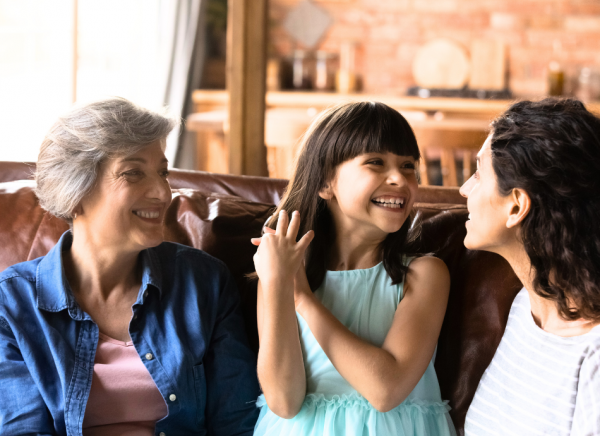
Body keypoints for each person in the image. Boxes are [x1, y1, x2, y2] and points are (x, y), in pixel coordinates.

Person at [0, 97, 260, 435]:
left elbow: (236, 423)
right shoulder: (13, 302)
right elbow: (23, 430)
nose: (162, 192)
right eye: (133, 173)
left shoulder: (204, 282)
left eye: (163, 172)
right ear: (75, 191)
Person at [251, 102, 456, 435]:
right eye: (376, 162)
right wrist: (278, 284)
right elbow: (284, 402)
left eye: (408, 166)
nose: (399, 179)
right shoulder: (279, 274)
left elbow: (385, 390)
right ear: (325, 183)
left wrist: (302, 297)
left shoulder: (425, 275)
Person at [461, 98, 600, 435]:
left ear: (516, 206)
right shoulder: (528, 304)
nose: (464, 189)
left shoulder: (593, 356)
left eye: (479, 174)